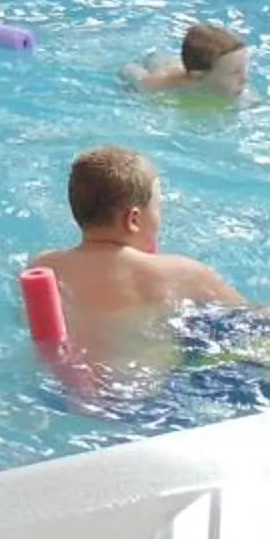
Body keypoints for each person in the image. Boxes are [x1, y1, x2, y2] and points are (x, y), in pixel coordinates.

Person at [25, 147, 248, 383]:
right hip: (146, 401)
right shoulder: (181, 273)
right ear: (133, 219)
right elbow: (252, 318)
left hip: (65, 391)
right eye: (158, 207)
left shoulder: (44, 266)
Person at [124, 23, 252, 100]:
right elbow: (131, 74)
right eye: (235, 72)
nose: (244, 79)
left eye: (243, 69)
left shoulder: (239, 90)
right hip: (164, 69)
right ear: (199, 76)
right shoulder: (157, 85)